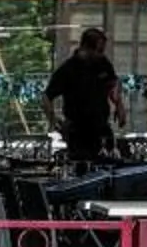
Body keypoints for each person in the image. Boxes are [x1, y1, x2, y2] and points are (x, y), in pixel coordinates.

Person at [44, 27, 127, 171]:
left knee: (109, 166)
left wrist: (119, 104)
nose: (101, 54)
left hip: (101, 127)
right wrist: (54, 121)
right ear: (86, 48)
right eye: (99, 50)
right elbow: (46, 96)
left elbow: (114, 83)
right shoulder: (69, 69)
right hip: (78, 130)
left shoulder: (102, 63)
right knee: (83, 168)